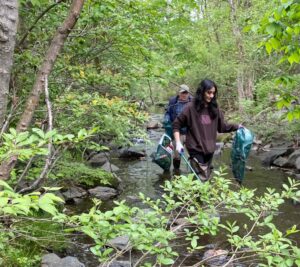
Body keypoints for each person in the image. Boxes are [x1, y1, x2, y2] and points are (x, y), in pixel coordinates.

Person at [172, 79, 242, 181]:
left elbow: (222, 127)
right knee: (200, 181)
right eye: (209, 92)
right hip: (195, 149)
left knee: (205, 180)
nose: (211, 96)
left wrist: (237, 126)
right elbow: (176, 125)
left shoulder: (214, 108)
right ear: (202, 91)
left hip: (210, 150)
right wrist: (178, 142)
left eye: (213, 93)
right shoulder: (190, 107)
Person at [164, 84, 192, 170]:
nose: (184, 95)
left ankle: (194, 173)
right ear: (179, 93)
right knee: (177, 155)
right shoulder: (173, 101)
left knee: (193, 154)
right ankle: (177, 172)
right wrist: (166, 119)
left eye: (186, 93)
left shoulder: (193, 102)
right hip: (177, 132)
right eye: (182, 93)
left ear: (188, 93)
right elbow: (168, 112)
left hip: (190, 132)